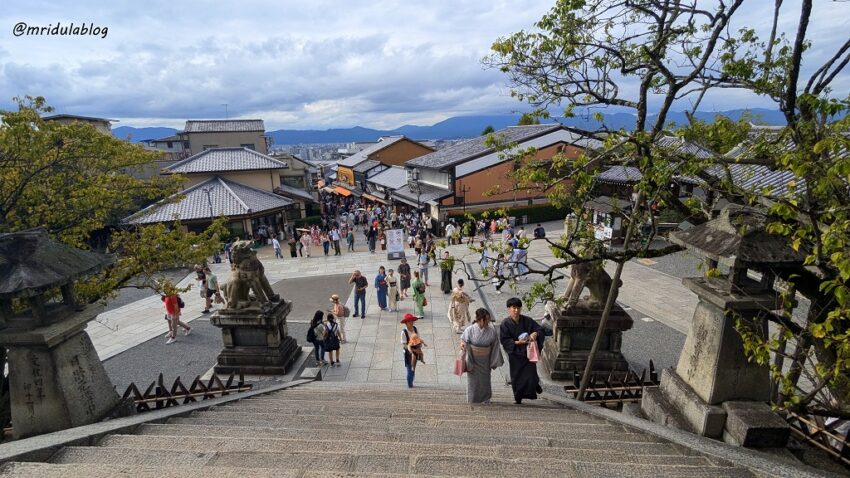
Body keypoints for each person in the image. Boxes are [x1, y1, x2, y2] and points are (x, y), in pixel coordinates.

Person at [499, 297, 545, 404]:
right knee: (517, 377)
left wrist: (535, 333)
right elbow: (504, 340)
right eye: (513, 308)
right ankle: (518, 397)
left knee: (532, 375)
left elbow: (539, 329)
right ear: (508, 309)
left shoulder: (527, 320)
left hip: (528, 353)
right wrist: (517, 342)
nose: (516, 310)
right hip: (515, 355)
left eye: (518, 308)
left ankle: (534, 385)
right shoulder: (505, 324)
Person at [460, 308, 504, 404]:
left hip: (485, 360)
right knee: (473, 381)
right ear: (479, 319)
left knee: (485, 380)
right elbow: (463, 340)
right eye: (486, 319)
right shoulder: (470, 329)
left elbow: (495, 345)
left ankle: (486, 399)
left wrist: (494, 360)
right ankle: (472, 399)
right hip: (472, 360)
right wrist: (463, 344)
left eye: (488, 319)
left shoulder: (491, 331)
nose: (488, 321)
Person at [400, 313, 420, 388]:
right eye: (409, 321)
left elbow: (418, 338)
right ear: (406, 323)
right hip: (408, 353)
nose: (411, 323)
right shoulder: (403, 332)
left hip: (415, 352)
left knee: (413, 367)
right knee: (409, 368)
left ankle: (411, 380)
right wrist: (410, 348)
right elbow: (404, 344)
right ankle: (410, 383)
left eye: (412, 321)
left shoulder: (415, 329)